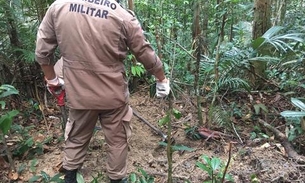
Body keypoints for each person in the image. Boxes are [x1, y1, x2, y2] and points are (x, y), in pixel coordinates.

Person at [35, 0, 170, 183]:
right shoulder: (121, 15)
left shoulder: (59, 6)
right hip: (112, 94)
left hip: (79, 93)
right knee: (117, 140)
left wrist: (52, 80)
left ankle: (70, 176)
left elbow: (43, 50)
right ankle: (115, 179)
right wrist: (161, 78)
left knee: (76, 135)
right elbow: (144, 52)